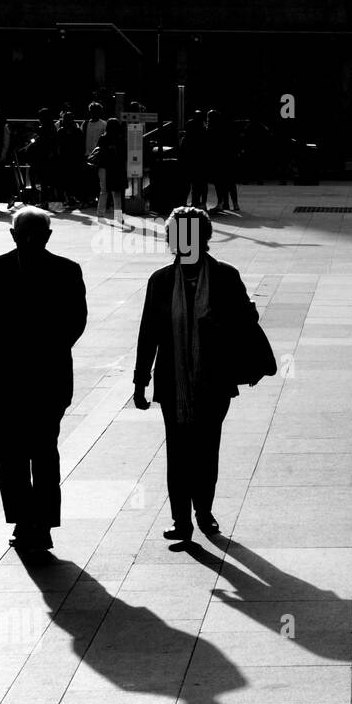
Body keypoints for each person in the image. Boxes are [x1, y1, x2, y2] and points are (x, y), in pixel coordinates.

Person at [0, 207, 88, 550]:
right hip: (19, 377)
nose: (33, 240)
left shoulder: (61, 271)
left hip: (33, 377)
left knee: (26, 452)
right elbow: (73, 323)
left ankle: (32, 520)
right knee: (32, 452)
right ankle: (32, 519)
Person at [133, 207, 255, 542]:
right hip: (173, 382)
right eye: (175, 235)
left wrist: (223, 322)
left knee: (205, 449)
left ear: (202, 239)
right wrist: (140, 380)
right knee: (178, 451)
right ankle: (181, 520)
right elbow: (149, 334)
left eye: (183, 234)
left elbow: (246, 320)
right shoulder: (160, 281)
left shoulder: (225, 277)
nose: (177, 241)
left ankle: (203, 511)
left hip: (213, 381)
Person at [90, 117, 126, 219]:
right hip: (117, 168)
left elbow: (99, 152)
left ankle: (100, 214)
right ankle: (118, 216)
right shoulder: (120, 139)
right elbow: (123, 155)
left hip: (104, 167)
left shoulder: (103, 138)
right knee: (116, 193)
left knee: (104, 191)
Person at [206, 110, 240, 213]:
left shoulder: (211, 129)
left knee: (220, 182)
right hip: (229, 158)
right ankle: (235, 204)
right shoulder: (226, 128)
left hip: (218, 159)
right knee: (230, 182)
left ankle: (221, 203)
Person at [56, 108, 84, 208]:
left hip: (66, 159)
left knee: (66, 179)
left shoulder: (61, 131)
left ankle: (68, 198)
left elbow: (58, 146)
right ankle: (72, 198)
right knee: (72, 179)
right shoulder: (77, 131)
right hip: (73, 159)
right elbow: (81, 146)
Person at [180, 111, 209, 208]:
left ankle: (183, 202)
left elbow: (182, 151)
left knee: (186, 184)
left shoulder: (186, 138)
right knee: (198, 185)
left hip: (188, 162)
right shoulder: (204, 135)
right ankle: (195, 203)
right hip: (200, 162)